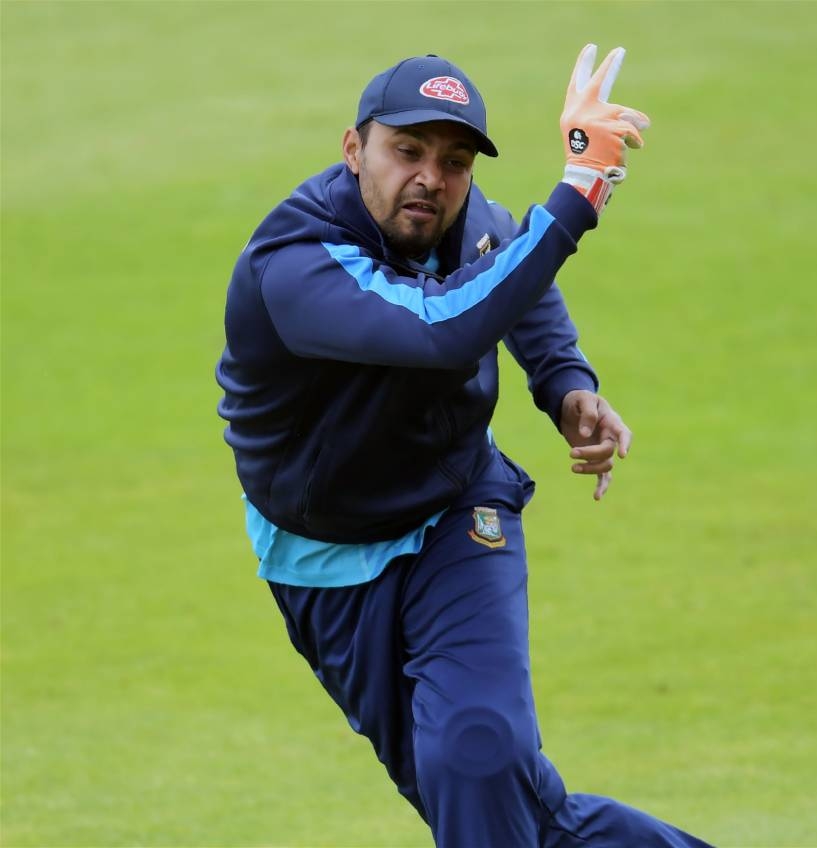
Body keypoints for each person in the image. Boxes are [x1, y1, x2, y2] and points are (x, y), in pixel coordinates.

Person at [216, 45, 712, 848]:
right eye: (406, 151)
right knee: (507, 814)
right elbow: (444, 328)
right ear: (354, 151)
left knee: (479, 755)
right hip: (325, 563)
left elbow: (512, 265)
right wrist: (580, 192)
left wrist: (564, 382)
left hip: (458, 513)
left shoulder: (465, 219)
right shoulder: (296, 262)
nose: (432, 179)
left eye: (454, 162)